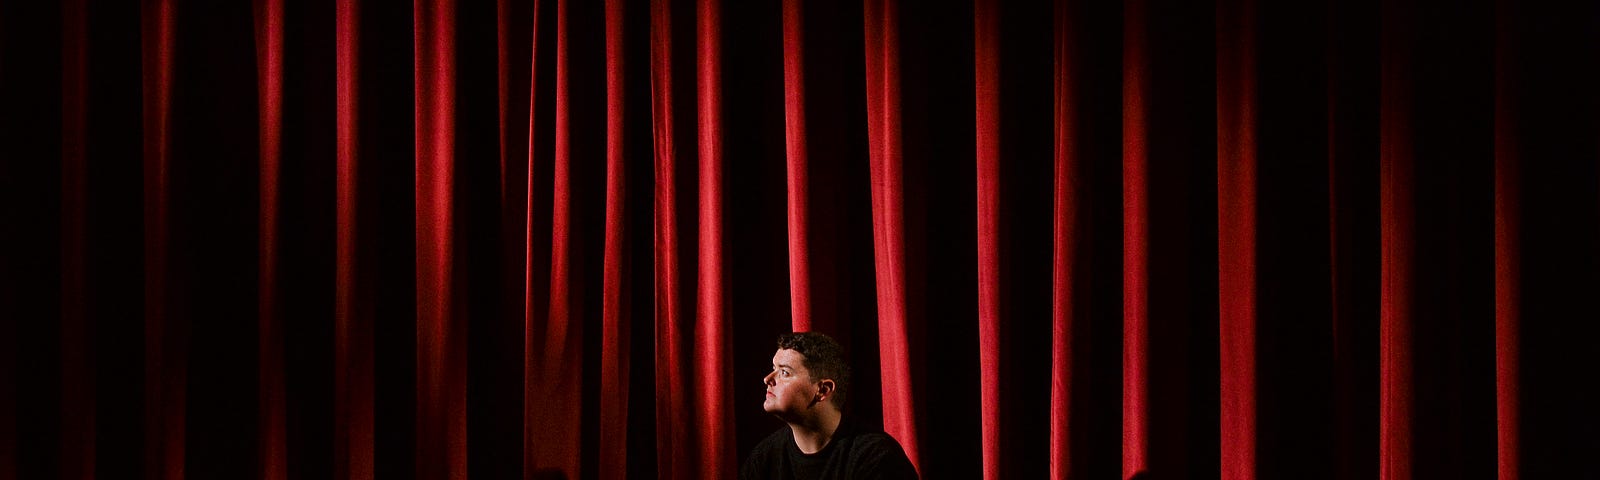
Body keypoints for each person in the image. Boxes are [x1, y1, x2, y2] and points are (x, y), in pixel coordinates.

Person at [740, 332, 919, 480]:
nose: (768, 379)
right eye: (773, 368)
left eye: (784, 372)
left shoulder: (876, 458)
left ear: (823, 390)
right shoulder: (764, 459)